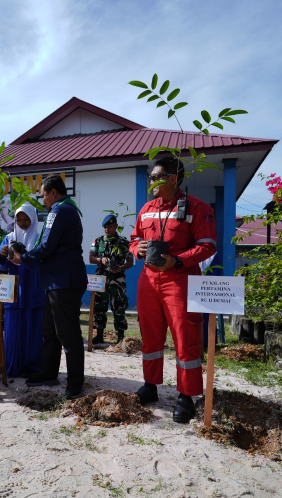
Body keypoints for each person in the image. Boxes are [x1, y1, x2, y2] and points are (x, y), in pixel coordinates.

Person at [129, 157, 217, 423]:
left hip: (180, 280)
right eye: (151, 177)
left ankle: (186, 395)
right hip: (148, 280)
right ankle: (150, 385)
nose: (152, 181)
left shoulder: (197, 207)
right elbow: (134, 239)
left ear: (173, 179)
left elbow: (208, 245)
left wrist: (178, 260)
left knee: (184, 336)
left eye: (157, 177)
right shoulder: (146, 208)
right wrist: (138, 249)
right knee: (151, 335)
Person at [9, 175, 87, 399]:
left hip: (64, 281)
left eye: (44, 195)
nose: (43, 200)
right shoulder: (66, 209)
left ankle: (75, 383)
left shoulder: (60, 211)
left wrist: (24, 257)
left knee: (68, 334)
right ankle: (48, 372)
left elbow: (46, 245)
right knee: (50, 331)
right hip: (56, 280)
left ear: (54, 193)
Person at [0, 202, 44, 378]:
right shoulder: (8, 239)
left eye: (26, 219)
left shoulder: (39, 239)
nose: (22, 223)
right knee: (13, 332)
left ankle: (31, 368)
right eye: (19, 219)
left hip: (33, 291)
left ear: (33, 220)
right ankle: (12, 366)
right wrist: (2, 255)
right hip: (14, 293)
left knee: (32, 332)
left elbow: (42, 262)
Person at [89, 214, 134, 344]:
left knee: (119, 306)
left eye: (109, 227)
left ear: (116, 226)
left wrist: (120, 268)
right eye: (105, 227)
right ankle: (99, 335)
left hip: (117, 280)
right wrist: (100, 259)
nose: (107, 229)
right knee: (99, 306)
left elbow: (130, 262)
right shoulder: (98, 241)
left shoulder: (124, 243)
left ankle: (120, 335)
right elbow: (91, 258)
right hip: (101, 279)